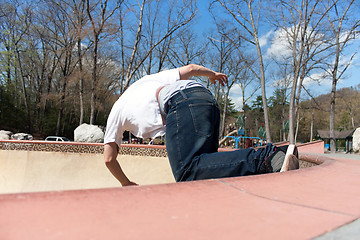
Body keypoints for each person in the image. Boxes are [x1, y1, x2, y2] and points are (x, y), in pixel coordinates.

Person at [104, 64, 299, 186]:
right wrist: (212, 74)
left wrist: (126, 183)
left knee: (187, 172)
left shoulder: (116, 109)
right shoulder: (147, 81)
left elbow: (109, 159)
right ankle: (283, 154)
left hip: (180, 103)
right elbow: (190, 69)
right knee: (207, 166)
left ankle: (268, 157)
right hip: (204, 97)